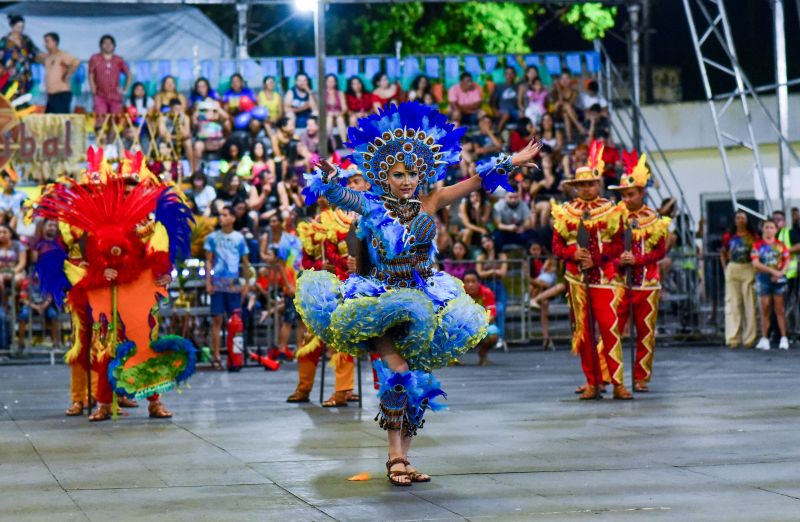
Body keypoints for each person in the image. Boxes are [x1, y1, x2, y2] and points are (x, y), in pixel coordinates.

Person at [296, 102, 540, 486]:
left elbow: (477, 181)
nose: (406, 180)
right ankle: (394, 456)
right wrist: (329, 177)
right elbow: (337, 195)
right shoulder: (370, 204)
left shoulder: (432, 200)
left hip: (426, 298)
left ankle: (405, 458)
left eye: (411, 172)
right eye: (398, 174)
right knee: (399, 373)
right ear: (384, 175)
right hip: (381, 300)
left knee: (419, 382)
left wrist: (513, 160)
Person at [32, 149, 195, 421]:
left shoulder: (151, 223)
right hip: (103, 292)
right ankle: (103, 403)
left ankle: (154, 402)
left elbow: (159, 253)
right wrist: (99, 271)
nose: (130, 192)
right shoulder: (98, 221)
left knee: (145, 346)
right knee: (102, 346)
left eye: (134, 187)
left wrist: (162, 271)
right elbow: (91, 254)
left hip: (139, 294)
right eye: (125, 187)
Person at [551, 141, 631, 400]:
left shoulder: (611, 210)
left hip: (604, 278)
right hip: (576, 280)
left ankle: (618, 382)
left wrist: (597, 259)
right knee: (583, 333)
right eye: (581, 185)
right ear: (575, 187)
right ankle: (592, 382)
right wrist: (572, 254)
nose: (586, 189)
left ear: (598, 185)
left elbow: (619, 244)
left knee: (609, 329)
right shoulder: (565, 212)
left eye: (590, 184)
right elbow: (556, 245)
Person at [287, 170, 368, 406]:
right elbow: (307, 259)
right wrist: (318, 266)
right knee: (309, 339)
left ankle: (343, 390)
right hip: (321, 290)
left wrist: (353, 265)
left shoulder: (360, 217)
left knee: (343, 337)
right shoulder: (317, 223)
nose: (324, 197)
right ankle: (303, 388)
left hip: (349, 287)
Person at [609, 151, 670, 392]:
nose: (626, 198)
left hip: (647, 284)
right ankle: (610, 376)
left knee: (645, 333)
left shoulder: (654, 218)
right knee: (611, 330)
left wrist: (638, 259)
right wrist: (618, 260)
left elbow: (660, 251)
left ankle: (641, 377)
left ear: (642, 193)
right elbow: (608, 247)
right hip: (620, 282)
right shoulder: (614, 217)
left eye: (631, 194)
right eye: (623, 194)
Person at [205, 205, 252, 370]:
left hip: (233, 285)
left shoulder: (239, 238)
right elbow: (209, 261)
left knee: (235, 321)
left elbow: (245, 263)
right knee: (217, 319)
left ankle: (235, 356)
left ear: (233, 218)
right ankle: (216, 355)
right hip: (217, 283)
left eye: (225, 215)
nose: (222, 218)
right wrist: (208, 282)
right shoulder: (211, 238)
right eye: (220, 215)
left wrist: (246, 284)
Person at [721, 210, 759, 348]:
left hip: (748, 267)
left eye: (743, 218)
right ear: (735, 220)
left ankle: (749, 338)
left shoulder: (753, 236)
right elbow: (723, 252)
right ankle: (733, 338)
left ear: (747, 220)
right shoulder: (728, 236)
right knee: (733, 304)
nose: (741, 220)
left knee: (750, 303)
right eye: (738, 218)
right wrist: (726, 268)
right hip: (733, 268)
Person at [751, 219, 790, 351]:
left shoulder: (781, 245)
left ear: (776, 230)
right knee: (765, 309)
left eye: (771, 227)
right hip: (763, 279)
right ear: (763, 229)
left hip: (778, 279)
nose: (769, 230)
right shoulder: (757, 245)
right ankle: (764, 338)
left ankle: (784, 338)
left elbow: (787, 260)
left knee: (779, 309)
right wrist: (772, 271)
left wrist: (780, 273)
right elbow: (756, 263)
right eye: (766, 227)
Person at [462, 270, 499, 366]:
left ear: (479, 282)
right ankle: (451, 358)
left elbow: (491, 316)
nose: (470, 284)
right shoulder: (458, 295)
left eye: (473, 281)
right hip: (462, 327)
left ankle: (482, 352)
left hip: (481, 326)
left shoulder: (487, 293)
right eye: (467, 281)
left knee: (493, 334)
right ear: (463, 283)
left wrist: (477, 326)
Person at [89, 35, 131, 115]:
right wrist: (93, 88)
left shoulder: (118, 59)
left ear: (114, 46)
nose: (108, 45)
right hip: (99, 94)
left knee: (115, 121)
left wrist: (125, 89)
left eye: (110, 43)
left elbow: (128, 74)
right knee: (101, 119)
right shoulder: (95, 58)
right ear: (101, 45)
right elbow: (91, 74)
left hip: (115, 95)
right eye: (105, 43)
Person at [0, 15, 40, 99]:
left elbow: (35, 52)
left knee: (22, 99)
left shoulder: (26, 39)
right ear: (12, 26)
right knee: (9, 98)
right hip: (9, 76)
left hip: (24, 75)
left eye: (22, 27)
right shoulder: (4, 41)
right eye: (18, 26)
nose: (20, 29)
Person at [42, 32, 79, 114]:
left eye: (47, 41)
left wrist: (68, 74)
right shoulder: (48, 57)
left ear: (54, 42)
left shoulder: (62, 54)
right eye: (44, 41)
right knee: (50, 123)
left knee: (61, 122)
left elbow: (76, 61)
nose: (44, 44)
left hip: (61, 94)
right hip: (51, 95)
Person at [159, 98, 195, 174]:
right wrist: (173, 137)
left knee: (188, 143)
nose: (178, 111)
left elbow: (187, 134)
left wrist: (178, 122)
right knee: (164, 146)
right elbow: (162, 134)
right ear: (170, 108)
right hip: (168, 141)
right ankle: (167, 173)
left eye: (179, 108)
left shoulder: (185, 117)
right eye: (175, 109)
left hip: (180, 140)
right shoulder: (163, 118)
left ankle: (192, 170)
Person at [551, 69, 584, 142]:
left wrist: (562, 102)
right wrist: (559, 90)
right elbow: (558, 104)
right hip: (558, 112)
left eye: (567, 78)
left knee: (566, 112)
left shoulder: (574, 91)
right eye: (562, 78)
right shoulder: (555, 91)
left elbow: (571, 103)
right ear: (559, 80)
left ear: (570, 80)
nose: (564, 81)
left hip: (570, 112)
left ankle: (569, 139)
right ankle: (579, 126)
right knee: (566, 107)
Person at [490, 66, 520, 131]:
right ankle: (498, 131)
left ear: (514, 75)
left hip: (514, 111)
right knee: (506, 114)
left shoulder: (517, 87)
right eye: (507, 74)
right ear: (504, 75)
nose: (509, 76)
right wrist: (495, 110)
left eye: (511, 74)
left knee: (524, 114)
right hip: (503, 110)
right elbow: (492, 101)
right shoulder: (499, 86)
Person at [323, 74, 348, 147]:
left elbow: (344, 108)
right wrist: (328, 113)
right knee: (329, 119)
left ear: (336, 82)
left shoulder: (340, 93)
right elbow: (320, 108)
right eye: (329, 81)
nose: (331, 83)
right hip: (327, 116)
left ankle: (344, 143)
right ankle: (326, 143)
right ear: (325, 82)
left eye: (333, 81)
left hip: (338, 115)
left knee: (340, 119)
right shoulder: (322, 93)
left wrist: (339, 113)